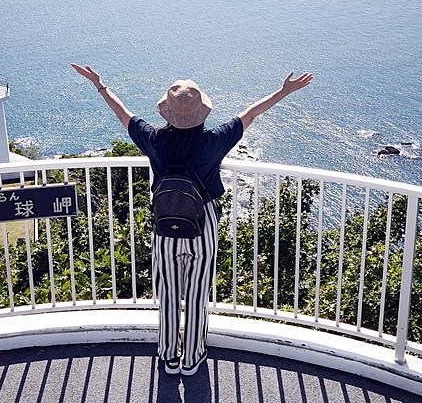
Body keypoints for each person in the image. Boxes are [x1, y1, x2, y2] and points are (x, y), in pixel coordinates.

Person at [71, 65, 313, 376]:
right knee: (197, 295)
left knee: (169, 294)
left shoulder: (153, 139)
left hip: (165, 224)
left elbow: (123, 115)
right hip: (204, 223)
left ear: (166, 111)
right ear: (201, 111)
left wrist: (100, 85)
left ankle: (169, 355)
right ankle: (192, 356)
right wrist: (284, 91)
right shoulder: (214, 141)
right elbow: (250, 114)